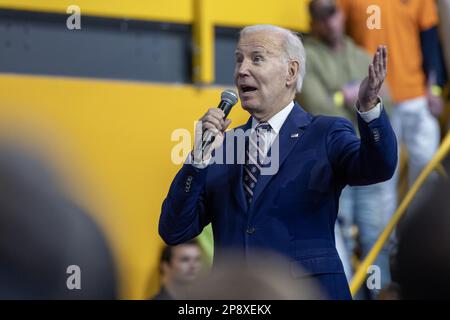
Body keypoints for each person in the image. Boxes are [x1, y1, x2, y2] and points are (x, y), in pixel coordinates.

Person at [159, 24, 397, 300]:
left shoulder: (325, 133)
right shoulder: (223, 146)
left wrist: (369, 109)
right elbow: (174, 230)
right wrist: (197, 159)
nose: (242, 70)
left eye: (256, 58)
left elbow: (379, 167)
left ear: (291, 72)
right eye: (238, 59)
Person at [297, 0, 394, 296]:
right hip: (335, 166)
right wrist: (355, 98)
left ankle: (380, 294)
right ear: (313, 22)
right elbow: (319, 107)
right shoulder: (306, 58)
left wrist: (341, 96)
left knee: (377, 240)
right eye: (321, 16)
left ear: (342, 14)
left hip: (368, 161)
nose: (330, 22)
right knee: (341, 243)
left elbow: (386, 101)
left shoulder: (360, 54)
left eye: (333, 13)